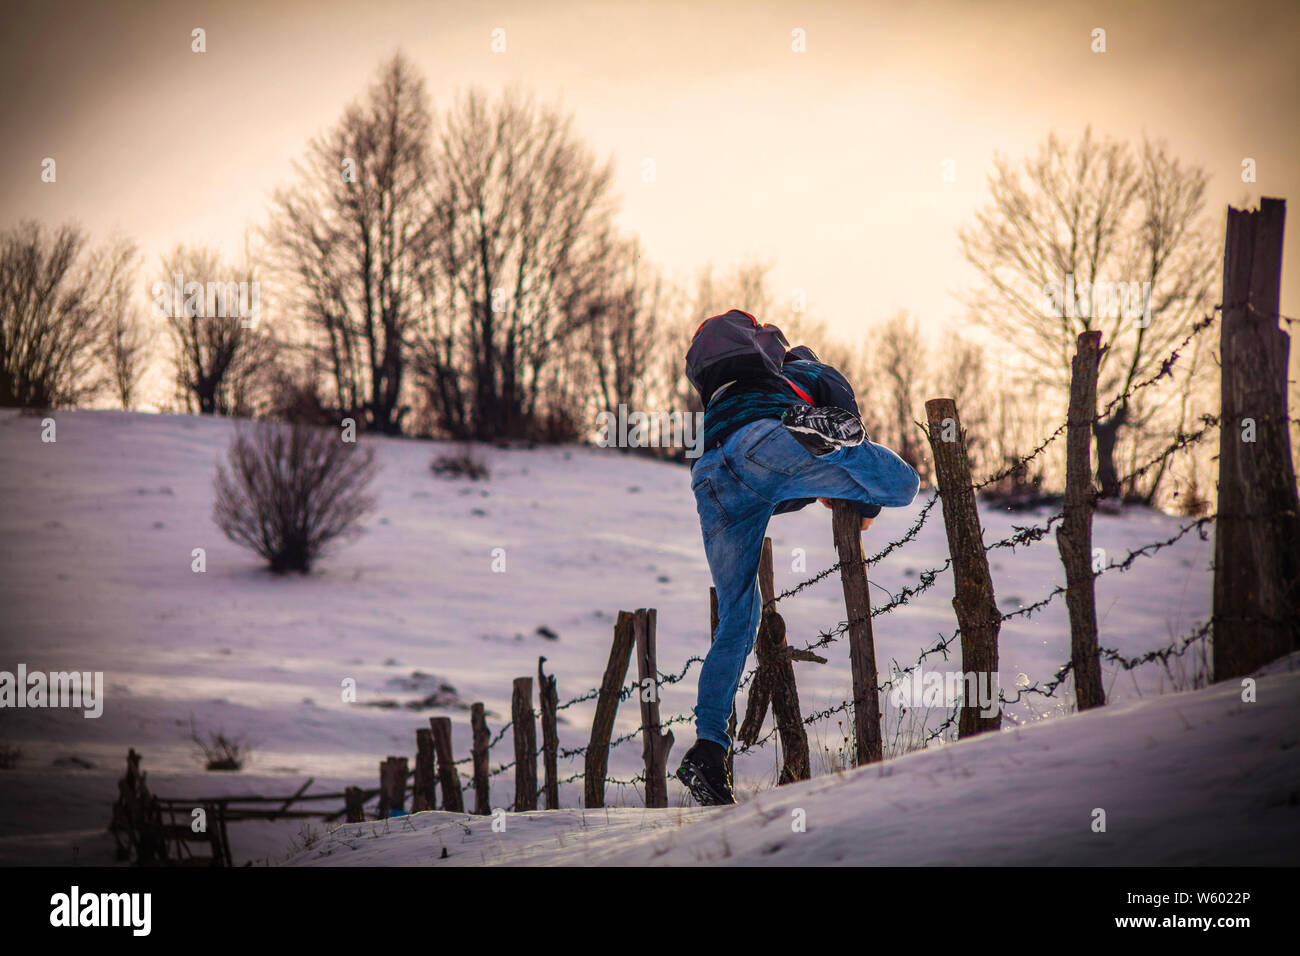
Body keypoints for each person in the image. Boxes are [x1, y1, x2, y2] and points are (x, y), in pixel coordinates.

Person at [676, 310, 920, 805]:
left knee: (735, 622)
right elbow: (849, 422)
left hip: (712, 472)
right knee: (903, 485)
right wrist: (857, 493)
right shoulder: (813, 374)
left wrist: (812, 480)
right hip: (769, 440)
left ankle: (707, 750)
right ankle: (832, 446)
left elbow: (782, 494)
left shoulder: (732, 381)